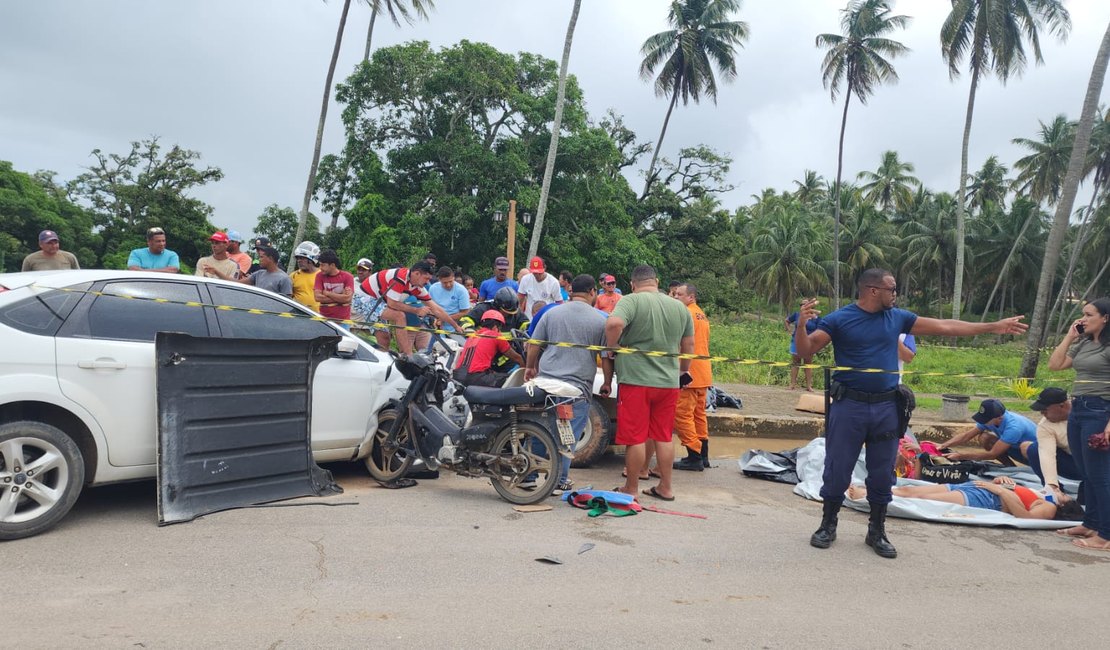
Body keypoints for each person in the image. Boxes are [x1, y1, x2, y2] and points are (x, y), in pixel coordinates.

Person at [795, 268, 1028, 559]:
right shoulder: (840, 319)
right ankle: (828, 525)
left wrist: (991, 327)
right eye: (892, 289)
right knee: (838, 467)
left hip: (886, 407)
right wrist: (801, 326)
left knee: (882, 472)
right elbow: (806, 352)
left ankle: (876, 530)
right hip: (849, 407)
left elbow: (945, 326)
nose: (896, 294)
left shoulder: (899, 318)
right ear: (872, 290)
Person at [603, 264, 694, 502]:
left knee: (635, 437)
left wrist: (612, 348)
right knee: (663, 436)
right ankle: (665, 487)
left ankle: (631, 488)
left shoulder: (631, 301)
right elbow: (689, 346)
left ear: (633, 283)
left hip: (636, 380)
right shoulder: (680, 307)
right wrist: (683, 372)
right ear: (656, 281)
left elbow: (613, 324)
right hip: (668, 381)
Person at [525, 274, 607, 492]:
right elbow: (607, 356)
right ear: (592, 292)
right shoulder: (601, 319)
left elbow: (534, 345)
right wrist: (607, 381)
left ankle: (528, 476)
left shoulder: (552, 313)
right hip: (576, 388)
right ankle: (559, 481)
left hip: (546, 383)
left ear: (570, 291)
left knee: (538, 428)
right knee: (567, 434)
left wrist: (530, 367)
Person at [1047, 297, 1110, 551]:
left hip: (1100, 410)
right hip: (1078, 410)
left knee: (1100, 475)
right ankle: (1090, 522)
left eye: (1089, 314)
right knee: (1086, 473)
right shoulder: (1084, 343)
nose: (1083, 319)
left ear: (1105, 318)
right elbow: (1055, 365)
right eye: (1082, 314)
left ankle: (1105, 534)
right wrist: (1069, 337)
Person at [845, 477, 1083, 521]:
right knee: (909, 490)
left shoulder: (1050, 508)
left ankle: (865, 495)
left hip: (984, 497)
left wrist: (1002, 492)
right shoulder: (1045, 496)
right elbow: (1020, 495)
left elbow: (1026, 516)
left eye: (1064, 495)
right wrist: (1005, 483)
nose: (1060, 492)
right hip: (981, 488)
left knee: (916, 495)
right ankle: (868, 488)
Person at [360, 261, 462, 354]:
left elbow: (436, 309)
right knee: (399, 316)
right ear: (416, 274)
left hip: (379, 301)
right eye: (426, 278)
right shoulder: (400, 278)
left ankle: (388, 360)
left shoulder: (417, 287)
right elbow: (392, 304)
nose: (427, 282)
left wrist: (456, 326)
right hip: (365, 297)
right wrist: (416, 310)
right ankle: (408, 356)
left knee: (384, 340)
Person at [672, 282, 713, 471]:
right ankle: (703, 455)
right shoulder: (701, 314)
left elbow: (682, 343)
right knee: (698, 414)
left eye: (679, 294)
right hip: (703, 372)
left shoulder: (686, 314)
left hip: (689, 372)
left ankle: (694, 454)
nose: (675, 297)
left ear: (691, 297)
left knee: (682, 415)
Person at [937, 399, 1037, 466]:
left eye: (986, 419)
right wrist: (944, 445)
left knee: (1024, 447)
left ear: (999, 418)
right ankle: (1010, 467)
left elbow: (992, 454)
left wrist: (961, 456)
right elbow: (966, 436)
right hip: (1015, 448)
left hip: (1034, 455)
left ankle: (1036, 469)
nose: (983, 421)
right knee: (984, 437)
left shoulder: (1014, 427)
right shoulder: (992, 419)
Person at [1028, 387, 1081, 503]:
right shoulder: (1045, 426)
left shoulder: (1085, 412)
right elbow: (1047, 454)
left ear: (1061, 406)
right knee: (1033, 449)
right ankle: (1057, 491)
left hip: (1100, 463)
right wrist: (1052, 485)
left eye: (1045, 409)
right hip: (1075, 464)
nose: (1042, 413)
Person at [453, 310, 523, 387]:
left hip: (458, 375)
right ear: (496, 327)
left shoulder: (473, 336)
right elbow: (516, 358)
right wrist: (526, 368)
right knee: (511, 381)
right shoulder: (495, 335)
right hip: (477, 378)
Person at [314, 249, 354, 325]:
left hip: (343, 321)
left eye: (323, 265)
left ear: (332, 265)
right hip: (323, 320)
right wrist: (341, 297)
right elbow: (317, 297)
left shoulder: (348, 277)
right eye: (320, 265)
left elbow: (347, 298)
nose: (320, 268)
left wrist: (327, 293)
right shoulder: (319, 276)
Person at [785, 303, 820, 391]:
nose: (802, 306)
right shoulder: (797, 315)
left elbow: (820, 329)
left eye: (804, 304)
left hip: (809, 343)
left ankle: (809, 386)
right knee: (795, 362)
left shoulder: (816, 318)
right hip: (796, 341)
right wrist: (790, 331)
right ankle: (792, 384)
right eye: (801, 304)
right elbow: (787, 321)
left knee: (808, 364)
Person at [429, 266, 472, 332]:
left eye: (450, 281)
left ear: (453, 278)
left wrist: (444, 319)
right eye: (445, 283)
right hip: (436, 325)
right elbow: (429, 308)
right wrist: (435, 318)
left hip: (456, 327)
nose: (448, 285)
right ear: (439, 279)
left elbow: (465, 312)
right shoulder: (432, 288)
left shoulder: (461, 290)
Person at [290, 242, 322, 312]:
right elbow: (288, 297)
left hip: (319, 318)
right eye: (298, 258)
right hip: (299, 316)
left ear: (311, 259)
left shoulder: (322, 275)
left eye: (302, 258)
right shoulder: (293, 276)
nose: (299, 261)